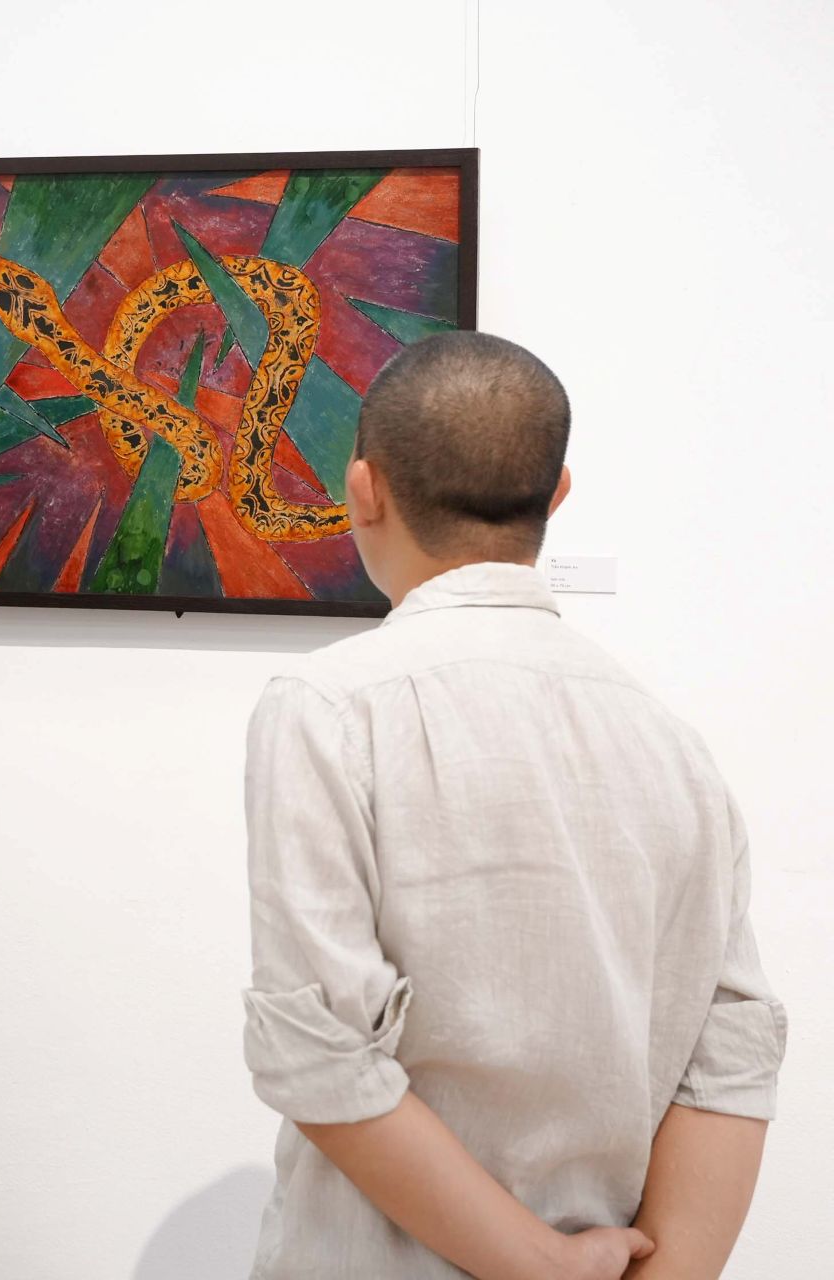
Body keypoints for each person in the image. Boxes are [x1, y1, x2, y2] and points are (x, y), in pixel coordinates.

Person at [241, 333, 786, 1279]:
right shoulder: (670, 742)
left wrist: (540, 1265)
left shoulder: (328, 708)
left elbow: (321, 1057)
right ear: (558, 493)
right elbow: (731, 1057)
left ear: (363, 490)